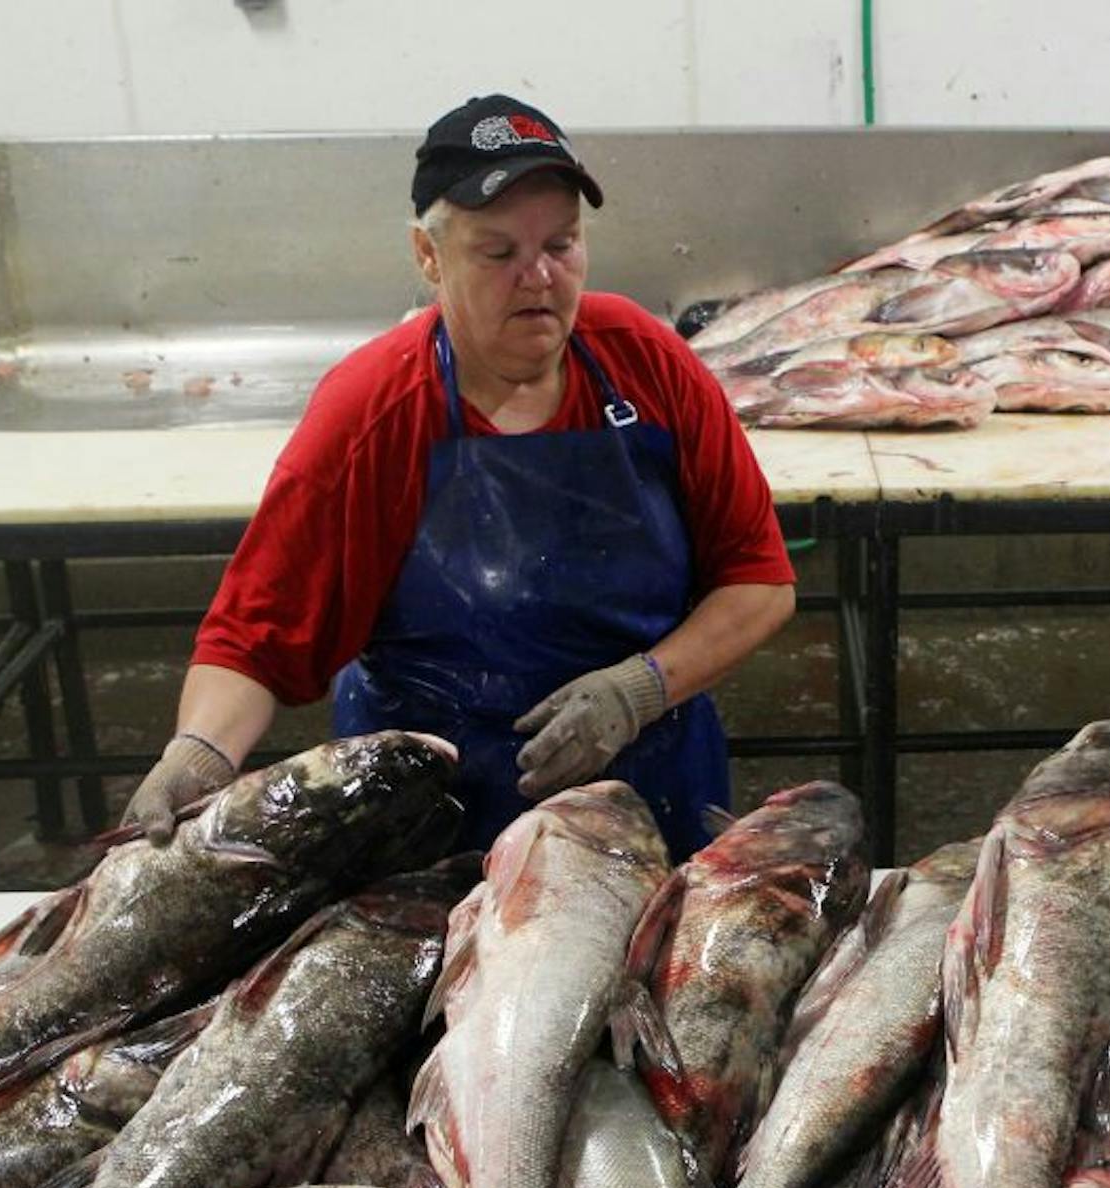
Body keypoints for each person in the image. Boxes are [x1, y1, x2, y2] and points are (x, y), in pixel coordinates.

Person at [124, 95, 797, 858]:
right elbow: (254, 638)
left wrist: (637, 691)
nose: (539, 276)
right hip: (430, 818)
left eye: (562, 243)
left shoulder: (647, 361)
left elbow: (759, 581)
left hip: (646, 795)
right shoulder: (374, 407)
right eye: (498, 252)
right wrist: (197, 756)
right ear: (428, 255)